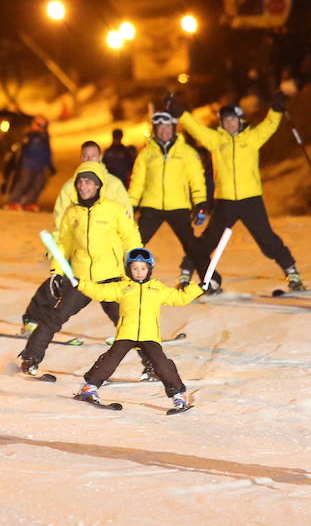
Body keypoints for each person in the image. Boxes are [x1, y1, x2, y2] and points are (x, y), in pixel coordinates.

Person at [170, 92, 305, 293]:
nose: (230, 123)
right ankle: (189, 272)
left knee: (266, 239)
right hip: (225, 202)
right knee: (209, 240)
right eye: (226, 120)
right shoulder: (216, 140)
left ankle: (292, 272)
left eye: (233, 119)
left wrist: (276, 109)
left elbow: (268, 126)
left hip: (251, 199)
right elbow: (195, 128)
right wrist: (179, 112)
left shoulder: (251, 138)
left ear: (240, 120)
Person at [20, 165, 141, 376]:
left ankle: (152, 366)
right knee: (53, 317)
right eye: (80, 182)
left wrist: (136, 264)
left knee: (129, 323)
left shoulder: (114, 209)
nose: (83, 186)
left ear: (98, 185)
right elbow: (64, 244)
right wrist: (57, 272)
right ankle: (30, 359)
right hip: (80, 279)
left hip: (110, 278)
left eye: (88, 182)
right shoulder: (72, 212)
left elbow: (131, 237)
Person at [22, 141, 134, 333]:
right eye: (85, 156)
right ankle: (32, 319)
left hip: (108, 252)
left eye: (93, 156)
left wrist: (127, 253)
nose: (90, 159)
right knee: (57, 281)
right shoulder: (70, 187)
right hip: (78, 248)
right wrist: (56, 253)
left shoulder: (114, 184)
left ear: (100, 157)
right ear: (81, 158)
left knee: (118, 294)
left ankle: (132, 332)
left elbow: (127, 219)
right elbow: (61, 222)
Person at [75, 247, 203, 410]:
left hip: (149, 335)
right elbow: (99, 291)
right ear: (129, 269)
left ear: (149, 269)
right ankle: (90, 387)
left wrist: (198, 289)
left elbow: (179, 298)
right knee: (110, 360)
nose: (139, 272)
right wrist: (81, 284)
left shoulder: (157, 288)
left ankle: (179, 394)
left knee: (162, 364)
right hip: (126, 333)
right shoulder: (122, 287)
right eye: (134, 268)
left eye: (143, 268)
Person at [129, 111, 210, 286]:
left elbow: (196, 179)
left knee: (191, 245)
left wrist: (200, 202)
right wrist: (132, 204)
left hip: (178, 206)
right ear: (154, 129)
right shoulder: (146, 154)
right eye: (159, 128)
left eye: (167, 127)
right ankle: (123, 278)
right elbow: (137, 182)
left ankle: (210, 280)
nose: (164, 131)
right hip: (151, 207)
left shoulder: (187, 153)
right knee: (135, 242)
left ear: (174, 128)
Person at [4, 116, 54, 211]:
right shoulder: (30, 135)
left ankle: (28, 202)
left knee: (38, 184)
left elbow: (47, 151)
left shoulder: (45, 136)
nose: (42, 127)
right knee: (24, 182)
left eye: (44, 125)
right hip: (28, 164)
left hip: (41, 165)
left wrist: (49, 164)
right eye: (39, 125)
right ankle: (13, 201)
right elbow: (21, 147)